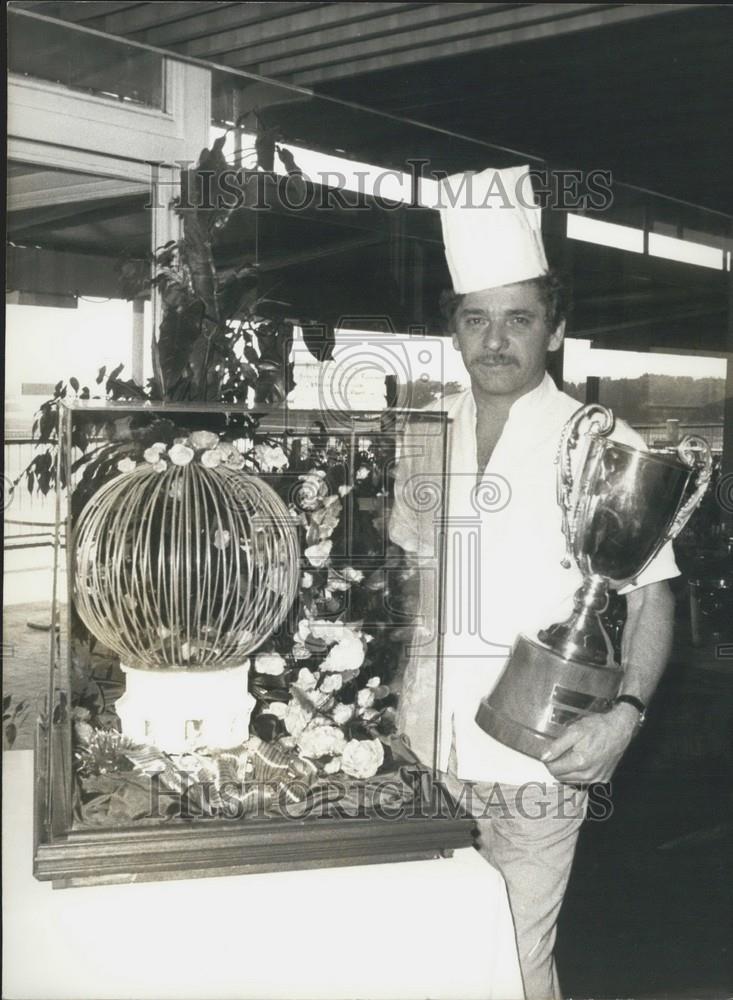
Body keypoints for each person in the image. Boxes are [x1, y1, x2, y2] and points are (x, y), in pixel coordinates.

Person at [389, 166, 678, 1000]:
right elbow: (409, 586)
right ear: (453, 330)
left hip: (540, 758)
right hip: (422, 751)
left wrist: (625, 717)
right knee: (436, 963)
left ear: (553, 329)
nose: (494, 340)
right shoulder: (420, 433)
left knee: (512, 964)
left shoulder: (600, 438)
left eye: (517, 319)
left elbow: (652, 594)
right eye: (475, 320)